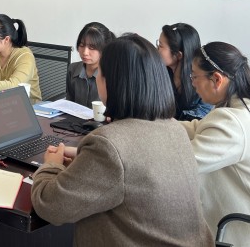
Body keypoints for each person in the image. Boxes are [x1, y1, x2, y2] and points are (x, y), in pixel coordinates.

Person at [31, 34, 213, 246]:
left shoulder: (108, 145)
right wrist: (85, 158)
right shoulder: (175, 129)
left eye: (100, 73)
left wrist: (51, 165)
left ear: (111, 82)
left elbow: (50, 205)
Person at [181, 42, 250, 246]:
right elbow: (199, 128)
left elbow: (180, 166)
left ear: (217, 79)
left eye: (194, 76)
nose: (192, 83)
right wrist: (159, 126)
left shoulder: (233, 123)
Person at [156, 23, 212, 120]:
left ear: (178, 55)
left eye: (160, 46)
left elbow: (203, 113)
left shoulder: (204, 81)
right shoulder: (158, 73)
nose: (156, 49)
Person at [65, 21, 115, 108]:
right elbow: (69, 102)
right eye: (82, 45)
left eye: (92, 48)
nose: (85, 52)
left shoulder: (112, 74)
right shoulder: (73, 69)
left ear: (104, 48)